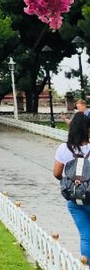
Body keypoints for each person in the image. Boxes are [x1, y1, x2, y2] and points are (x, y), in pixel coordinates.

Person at [54, 112, 90, 261]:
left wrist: (72, 181)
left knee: (86, 236)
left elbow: (56, 173)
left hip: (74, 199)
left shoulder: (63, 148)